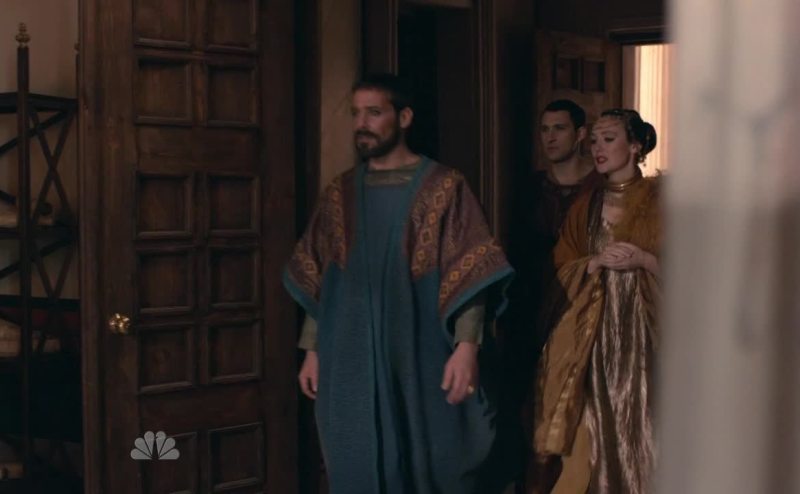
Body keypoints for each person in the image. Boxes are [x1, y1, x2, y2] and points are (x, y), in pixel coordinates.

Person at [284, 73, 514, 494]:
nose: (362, 124)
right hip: (349, 356)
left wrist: (467, 348)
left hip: (421, 354)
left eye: (374, 113)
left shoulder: (445, 188)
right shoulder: (339, 194)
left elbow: (470, 270)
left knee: (432, 460)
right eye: (356, 113)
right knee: (354, 459)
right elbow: (321, 277)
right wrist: (312, 350)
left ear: (404, 117)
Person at [529, 109, 661, 494]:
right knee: (596, 422)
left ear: (635, 146)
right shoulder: (585, 206)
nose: (598, 148)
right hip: (595, 334)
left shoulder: (661, 201)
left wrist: (644, 260)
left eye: (609, 139)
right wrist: (594, 263)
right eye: (595, 140)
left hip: (647, 333)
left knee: (647, 419)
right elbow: (561, 267)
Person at [502, 100, 600, 487]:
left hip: (584, 303)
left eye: (559, 128)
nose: (550, 137)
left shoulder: (599, 184)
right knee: (530, 400)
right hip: (531, 304)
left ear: (580, 134)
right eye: (544, 129)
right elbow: (514, 247)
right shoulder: (530, 188)